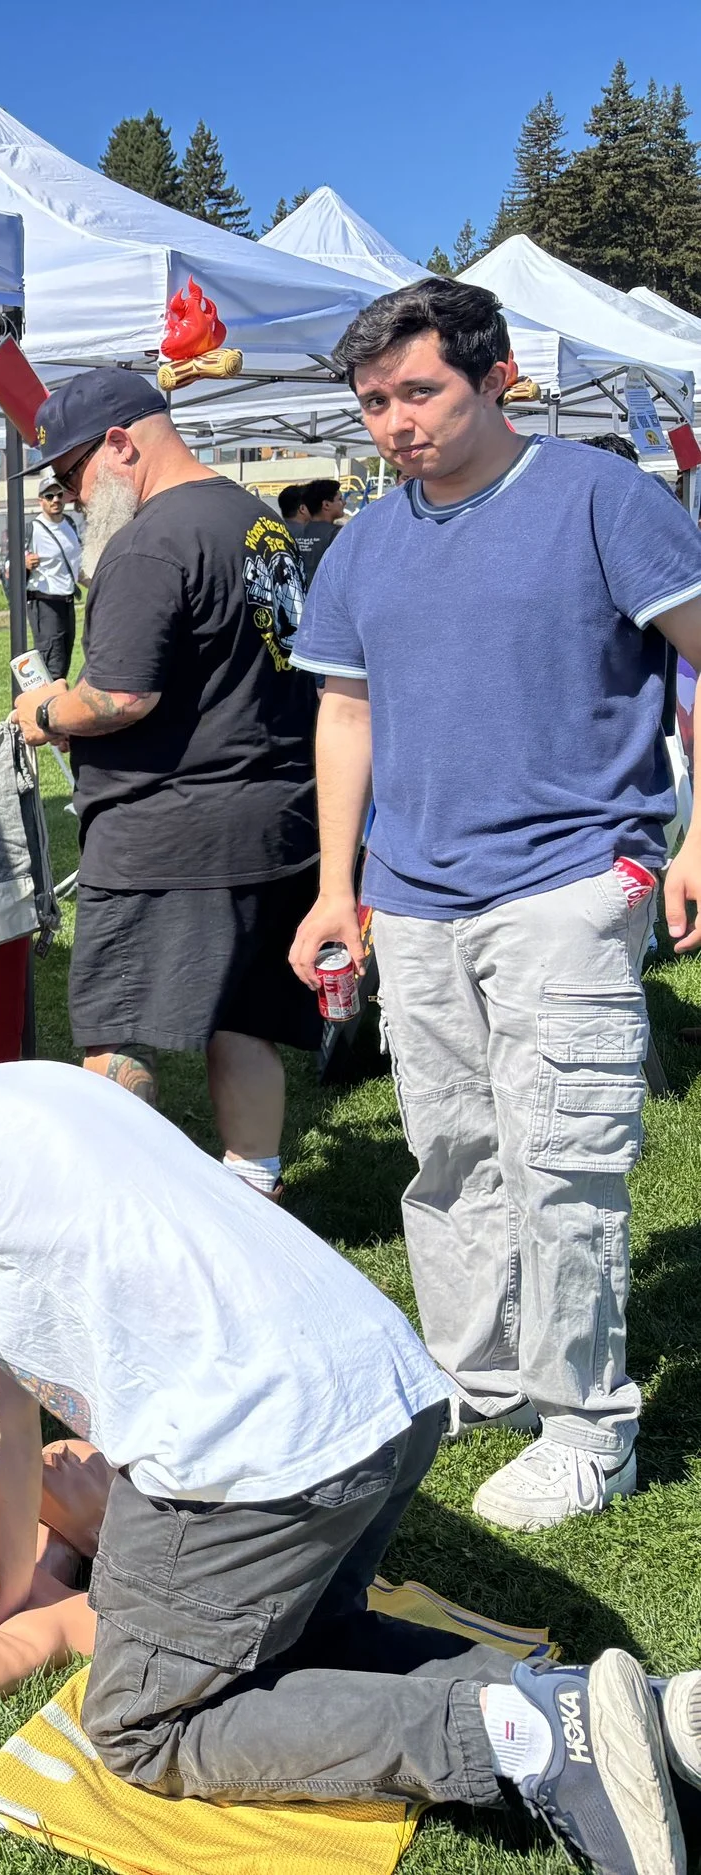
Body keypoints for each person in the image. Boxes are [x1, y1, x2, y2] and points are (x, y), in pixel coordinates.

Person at [0, 1033, 700, 1875]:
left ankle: (522, 1741)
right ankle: (632, 1717)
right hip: (382, 1398)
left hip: (257, 1452)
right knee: (296, 1652)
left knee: (147, 1728)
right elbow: (5, 1404)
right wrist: (1, 1570)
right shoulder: (34, 1087)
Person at [288, 277, 701, 1531]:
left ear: (495, 374)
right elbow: (344, 713)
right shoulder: (364, 540)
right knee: (452, 1153)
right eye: (371, 403)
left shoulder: (600, 500)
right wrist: (332, 889)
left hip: (572, 881)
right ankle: (479, 1381)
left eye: (419, 392)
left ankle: (588, 1427)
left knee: (561, 1156)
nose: (394, 423)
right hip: (413, 901)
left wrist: (693, 841)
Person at [12, 367, 320, 1197]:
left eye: (73, 475)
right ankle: (257, 1189)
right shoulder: (256, 518)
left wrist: (40, 710)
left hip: (169, 829)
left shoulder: (149, 541)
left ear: (120, 444)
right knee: (244, 1019)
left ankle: (127, 1211)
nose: (73, 499)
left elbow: (116, 696)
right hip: (280, 817)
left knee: (117, 1032)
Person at [22, 479, 85, 680]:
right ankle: (45, 707)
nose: (55, 500)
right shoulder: (33, 529)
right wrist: (24, 564)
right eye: (49, 496)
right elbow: (8, 566)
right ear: (41, 501)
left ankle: (53, 704)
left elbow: (77, 566)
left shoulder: (70, 524)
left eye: (59, 495)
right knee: (51, 663)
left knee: (64, 660)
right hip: (44, 603)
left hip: (66, 602)